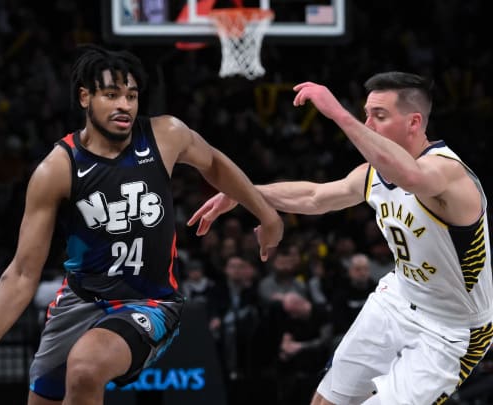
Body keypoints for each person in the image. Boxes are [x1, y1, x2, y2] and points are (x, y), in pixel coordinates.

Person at [0, 44, 284, 405]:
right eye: (112, 94)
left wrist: (267, 214)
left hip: (149, 302)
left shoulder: (165, 135)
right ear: (85, 97)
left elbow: (213, 164)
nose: (125, 105)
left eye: (131, 96)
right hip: (80, 300)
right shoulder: (57, 168)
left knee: (86, 367)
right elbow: (23, 272)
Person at [188, 72, 493, 404]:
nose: (368, 124)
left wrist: (337, 113)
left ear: (414, 122)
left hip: (453, 329)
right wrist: (245, 193)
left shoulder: (447, 171)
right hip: (397, 298)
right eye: (365, 114)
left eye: (379, 116)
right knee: (324, 401)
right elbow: (315, 197)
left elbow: (411, 176)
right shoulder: (373, 175)